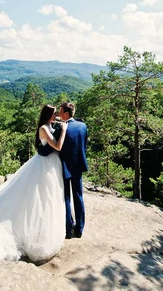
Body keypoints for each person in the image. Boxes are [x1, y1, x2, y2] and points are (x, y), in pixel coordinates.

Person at [0, 104, 68, 262]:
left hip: (51, 165)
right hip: (44, 166)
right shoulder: (43, 128)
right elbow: (57, 145)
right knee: (38, 196)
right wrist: (63, 130)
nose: (56, 114)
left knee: (49, 197)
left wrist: (59, 125)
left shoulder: (51, 124)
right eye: (54, 113)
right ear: (48, 115)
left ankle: (44, 229)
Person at [58, 102, 88, 239]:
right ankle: (80, 229)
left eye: (60, 111)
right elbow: (84, 146)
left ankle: (68, 229)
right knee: (78, 196)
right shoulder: (83, 126)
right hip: (78, 165)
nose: (58, 114)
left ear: (66, 114)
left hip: (64, 167)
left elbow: (53, 148)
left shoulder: (61, 128)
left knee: (66, 198)